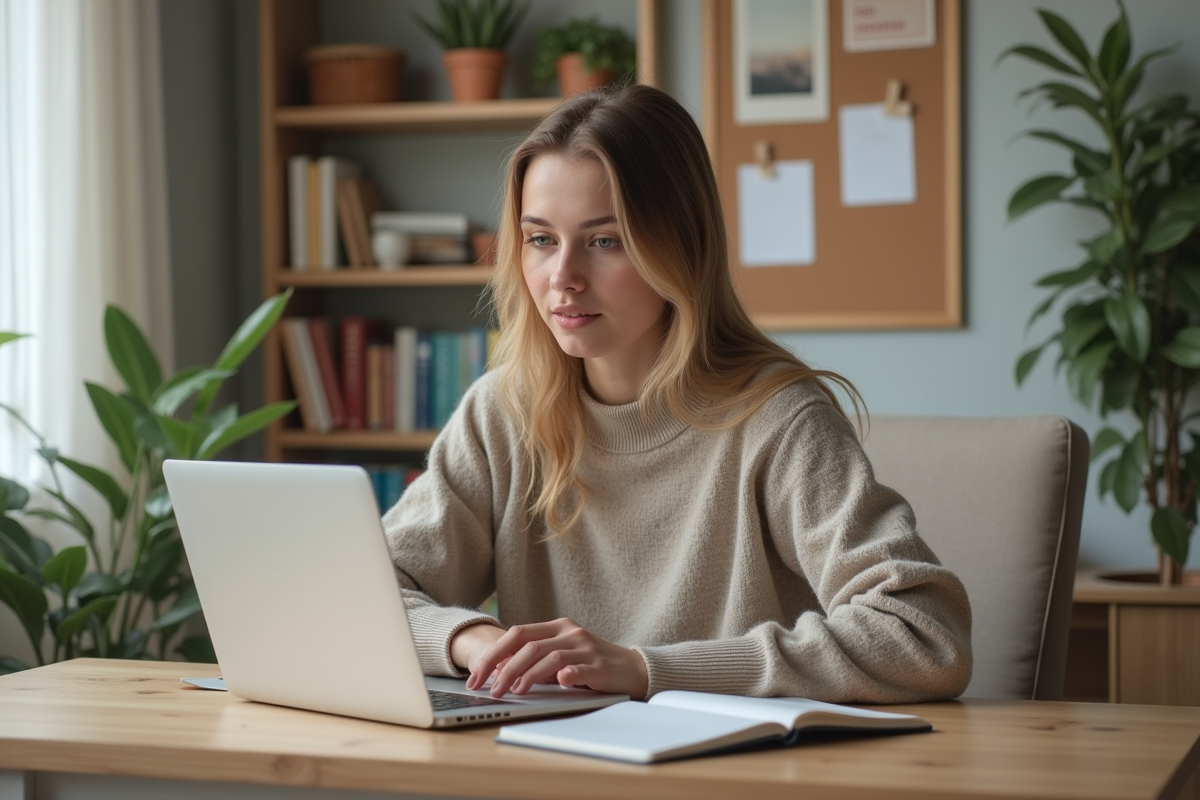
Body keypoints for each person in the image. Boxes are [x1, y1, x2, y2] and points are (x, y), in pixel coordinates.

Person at [383, 83, 971, 704]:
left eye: (605, 241)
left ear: (681, 244)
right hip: (554, 767)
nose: (563, 278)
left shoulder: (777, 416)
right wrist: (476, 643)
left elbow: (923, 635)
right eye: (540, 239)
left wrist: (645, 669)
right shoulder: (501, 411)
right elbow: (361, 592)